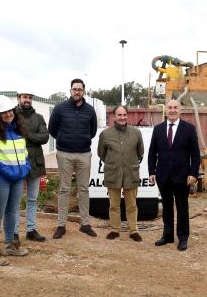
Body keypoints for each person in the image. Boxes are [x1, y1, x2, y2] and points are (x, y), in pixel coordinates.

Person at [0, 95, 31, 266]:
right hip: (0, 180)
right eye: (4, 112)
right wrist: (7, 172)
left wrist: (25, 169)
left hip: (17, 179)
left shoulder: (18, 131)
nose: (9, 114)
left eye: (10, 110)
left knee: (12, 212)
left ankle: (10, 245)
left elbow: (24, 155)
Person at [48, 78, 98, 239]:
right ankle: (61, 225)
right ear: (70, 90)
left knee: (84, 189)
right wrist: (64, 139)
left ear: (84, 91)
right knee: (64, 189)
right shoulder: (60, 108)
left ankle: (85, 224)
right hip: (64, 154)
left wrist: (81, 140)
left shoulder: (90, 110)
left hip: (84, 154)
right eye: (74, 89)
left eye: (80, 89)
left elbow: (93, 131)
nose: (77, 92)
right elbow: (52, 129)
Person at [148, 99, 200, 251]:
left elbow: (195, 154)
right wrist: (152, 171)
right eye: (169, 107)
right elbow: (152, 153)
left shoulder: (189, 128)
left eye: (175, 108)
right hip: (163, 176)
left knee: (182, 208)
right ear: (166, 110)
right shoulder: (158, 129)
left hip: (182, 177)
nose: (172, 110)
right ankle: (168, 235)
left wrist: (193, 173)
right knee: (167, 207)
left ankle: (183, 238)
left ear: (180, 110)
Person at [98, 105, 144, 242]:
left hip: (131, 174)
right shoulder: (105, 134)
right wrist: (114, 163)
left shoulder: (136, 133)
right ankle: (115, 229)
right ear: (114, 116)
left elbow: (140, 152)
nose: (122, 117)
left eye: (124, 115)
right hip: (113, 174)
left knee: (132, 205)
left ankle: (133, 230)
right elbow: (102, 153)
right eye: (119, 115)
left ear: (127, 116)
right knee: (114, 205)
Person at [14, 91, 49, 243]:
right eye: (24, 97)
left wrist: (27, 135)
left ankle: (31, 229)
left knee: (33, 199)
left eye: (29, 97)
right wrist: (34, 137)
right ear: (19, 98)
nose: (27, 100)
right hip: (16, 163)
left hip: (35, 163)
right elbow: (9, 136)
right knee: (15, 200)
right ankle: (14, 232)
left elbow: (45, 137)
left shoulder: (39, 118)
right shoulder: (11, 115)